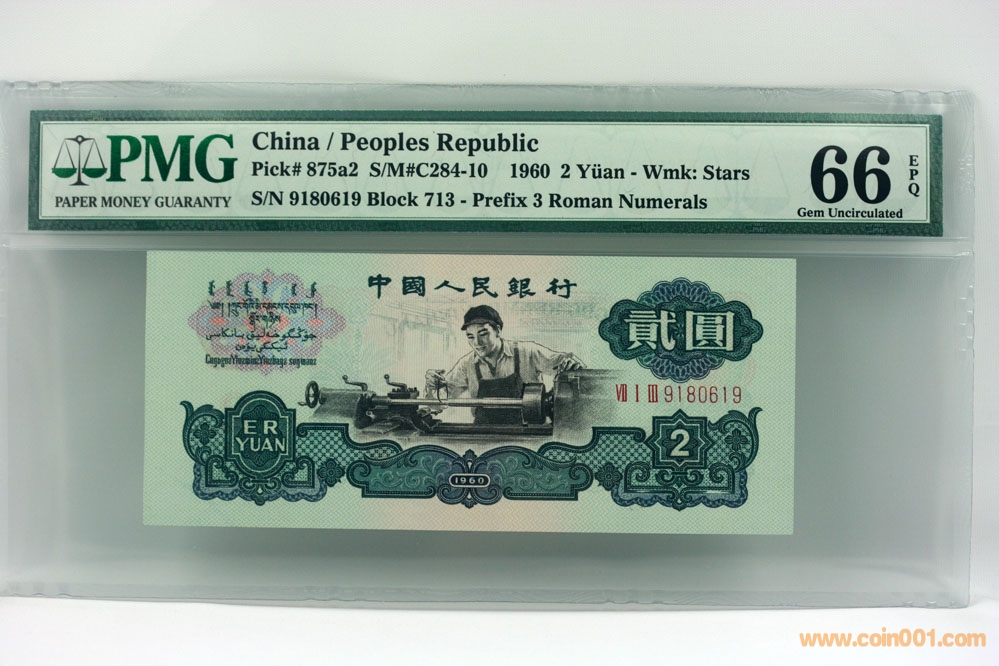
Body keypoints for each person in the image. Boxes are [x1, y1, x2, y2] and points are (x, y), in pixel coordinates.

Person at [424, 305, 584, 424]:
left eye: (483, 334)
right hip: (482, 434)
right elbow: (439, 403)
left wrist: (573, 366)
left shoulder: (527, 352)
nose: (477, 343)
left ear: (498, 331)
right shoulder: (466, 364)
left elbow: (568, 365)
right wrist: (433, 386)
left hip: (529, 434)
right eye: (470, 337)